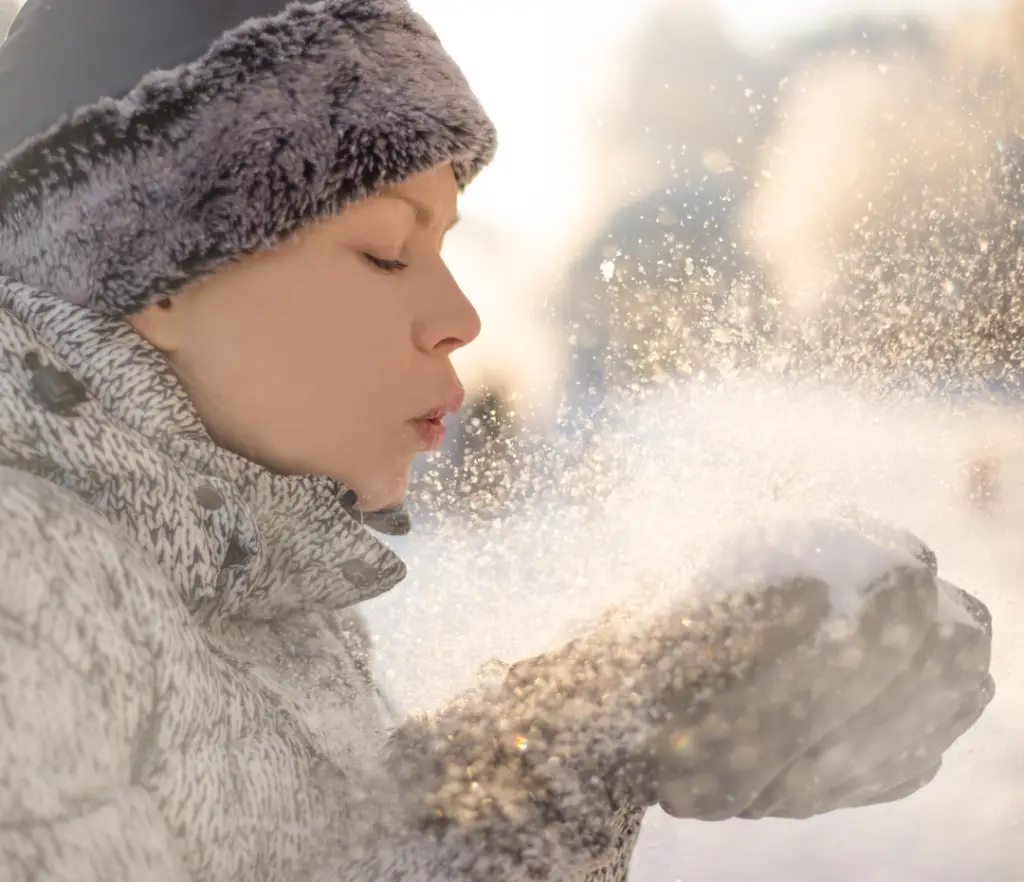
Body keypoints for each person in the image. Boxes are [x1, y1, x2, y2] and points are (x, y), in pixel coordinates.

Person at [0, 2, 995, 881]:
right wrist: (576, 747)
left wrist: (619, 699)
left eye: (446, 248)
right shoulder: (28, 584)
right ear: (158, 268)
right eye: (389, 251)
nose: (460, 317)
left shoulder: (251, 592)